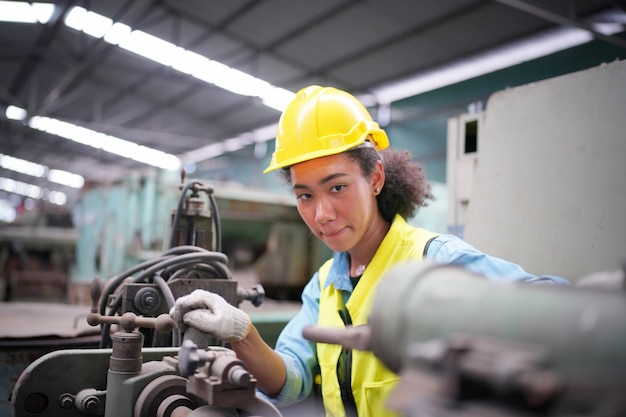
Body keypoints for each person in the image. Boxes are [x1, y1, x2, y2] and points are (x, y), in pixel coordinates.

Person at [171, 85, 569, 417]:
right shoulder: (323, 286)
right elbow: (289, 382)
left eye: (337, 187)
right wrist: (242, 334)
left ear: (375, 177)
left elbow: (557, 306)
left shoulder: (436, 261)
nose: (322, 214)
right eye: (305, 195)